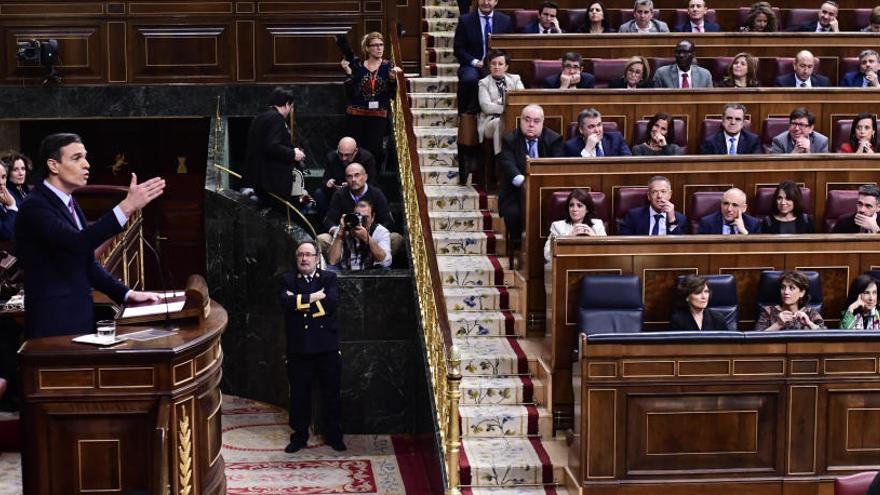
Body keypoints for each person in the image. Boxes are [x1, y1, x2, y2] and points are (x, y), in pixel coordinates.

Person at [16, 133, 165, 339]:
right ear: (53, 165)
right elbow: (76, 243)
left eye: (85, 157)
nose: (86, 164)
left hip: (78, 320)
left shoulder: (70, 203)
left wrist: (127, 294)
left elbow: (85, 262)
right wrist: (126, 207)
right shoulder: (35, 206)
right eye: (76, 158)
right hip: (52, 326)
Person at [281, 240, 345, 453]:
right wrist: (314, 297)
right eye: (300, 255)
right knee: (299, 396)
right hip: (299, 350)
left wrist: (299, 302)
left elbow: (331, 304)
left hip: (326, 348)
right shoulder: (287, 279)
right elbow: (285, 303)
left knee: (331, 394)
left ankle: (333, 435)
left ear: (317, 259)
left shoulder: (329, 278)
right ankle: (299, 437)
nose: (304, 259)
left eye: (308, 255)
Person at [498, 104, 564, 240]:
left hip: (546, 192)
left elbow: (557, 168)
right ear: (520, 121)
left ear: (542, 123)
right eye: (527, 120)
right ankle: (518, 246)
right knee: (514, 214)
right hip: (516, 194)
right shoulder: (510, 140)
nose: (531, 125)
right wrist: (526, 183)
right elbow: (509, 165)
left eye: (536, 121)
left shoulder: (554, 140)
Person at [340, 32, 401, 169]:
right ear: (367, 48)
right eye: (375, 45)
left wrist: (392, 79)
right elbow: (350, 93)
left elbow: (392, 94)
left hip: (377, 116)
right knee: (356, 149)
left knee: (375, 150)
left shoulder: (388, 66)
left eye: (381, 45)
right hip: (356, 115)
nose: (379, 48)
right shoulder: (358, 66)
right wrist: (348, 72)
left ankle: (372, 181)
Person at [242, 87, 308, 205]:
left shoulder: (260, 117)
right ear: (287, 104)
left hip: (257, 179)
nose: (291, 110)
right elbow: (272, 146)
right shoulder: (276, 118)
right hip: (271, 182)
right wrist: (293, 153)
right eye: (291, 107)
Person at [320, 163, 398, 256]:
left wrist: (369, 234)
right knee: (322, 239)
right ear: (345, 179)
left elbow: (387, 221)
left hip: (371, 237)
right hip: (346, 239)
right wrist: (339, 232)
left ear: (365, 177)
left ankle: (379, 265)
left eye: (357, 175)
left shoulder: (376, 194)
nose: (353, 179)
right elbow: (329, 220)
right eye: (349, 176)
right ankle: (339, 265)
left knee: (396, 238)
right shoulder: (339, 194)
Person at [453, 0, 513, 114]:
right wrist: (475, 62)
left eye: (489, 0)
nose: (486, 2)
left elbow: (509, 46)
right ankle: (466, 117)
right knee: (469, 79)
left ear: (496, 2)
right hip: (473, 65)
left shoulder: (505, 20)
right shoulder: (465, 20)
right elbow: (458, 48)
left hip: (497, 64)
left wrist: (499, 63)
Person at [314, 138, 377, 222]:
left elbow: (371, 183)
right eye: (340, 154)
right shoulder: (332, 157)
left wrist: (352, 185)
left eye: (347, 155)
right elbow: (325, 180)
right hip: (336, 194)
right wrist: (328, 183)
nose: (343, 158)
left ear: (355, 151)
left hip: (357, 194)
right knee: (319, 194)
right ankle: (327, 223)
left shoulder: (366, 158)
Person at [479, 50, 524, 154]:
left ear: (506, 67)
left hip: (513, 118)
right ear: (489, 66)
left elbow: (520, 99)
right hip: (490, 122)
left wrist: (499, 102)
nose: (497, 67)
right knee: (499, 122)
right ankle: (500, 157)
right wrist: (507, 107)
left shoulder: (515, 79)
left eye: (500, 64)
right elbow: (486, 107)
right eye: (493, 64)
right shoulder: (483, 83)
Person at [544, 188, 606, 262]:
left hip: (592, 266)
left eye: (579, 206)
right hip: (566, 267)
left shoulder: (597, 225)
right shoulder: (557, 226)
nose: (574, 209)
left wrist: (594, 238)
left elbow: (606, 253)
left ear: (587, 209)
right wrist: (568, 239)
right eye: (571, 205)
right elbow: (547, 255)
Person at [327, 199, 391, 270]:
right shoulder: (343, 229)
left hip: (371, 273)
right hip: (345, 271)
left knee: (385, 269)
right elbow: (332, 261)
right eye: (358, 216)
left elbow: (385, 262)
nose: (362, 220)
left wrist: (367, 238)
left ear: (373, 217)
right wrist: (339, 236)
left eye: (365, 217)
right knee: (330, 269)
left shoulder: (380, 231)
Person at [755, 270, 825, 330]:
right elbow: (756, 338)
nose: (786, 292)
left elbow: (825, 334)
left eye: (792, 288)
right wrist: (778, 324)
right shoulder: (768, 312)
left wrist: (810, 324)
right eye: (783, 287)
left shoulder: (810, 313)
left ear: (802, 293)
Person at [619, 175, 688, 235]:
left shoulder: (680, 219)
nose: (659, 196)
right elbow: (624, 244)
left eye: (663, 191)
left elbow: (681, 246)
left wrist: (672, 220)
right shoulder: (633, 216)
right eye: (654, 192)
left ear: (670, 194)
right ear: (649, 196)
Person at [564, 108, 632, 157]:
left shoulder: (616, 139)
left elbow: (628, 164)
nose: (597, 130)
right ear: (581, 130)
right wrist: (587, 149)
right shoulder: (571, 146)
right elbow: (574, 172)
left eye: (599, 125)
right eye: (591, 127)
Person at [697, 187, 761, 234]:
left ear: (744, 208)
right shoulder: (707, 223)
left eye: (735, 205)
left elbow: (757, 250)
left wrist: (744, 232)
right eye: (726, 204)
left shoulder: (753, 224)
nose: (729, 209)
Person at [0, 162, 17, 242]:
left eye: (3, 177)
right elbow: (6, 234)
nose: (1, 182)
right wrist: (11, 206)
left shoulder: (10, 194)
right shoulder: (11, 201)